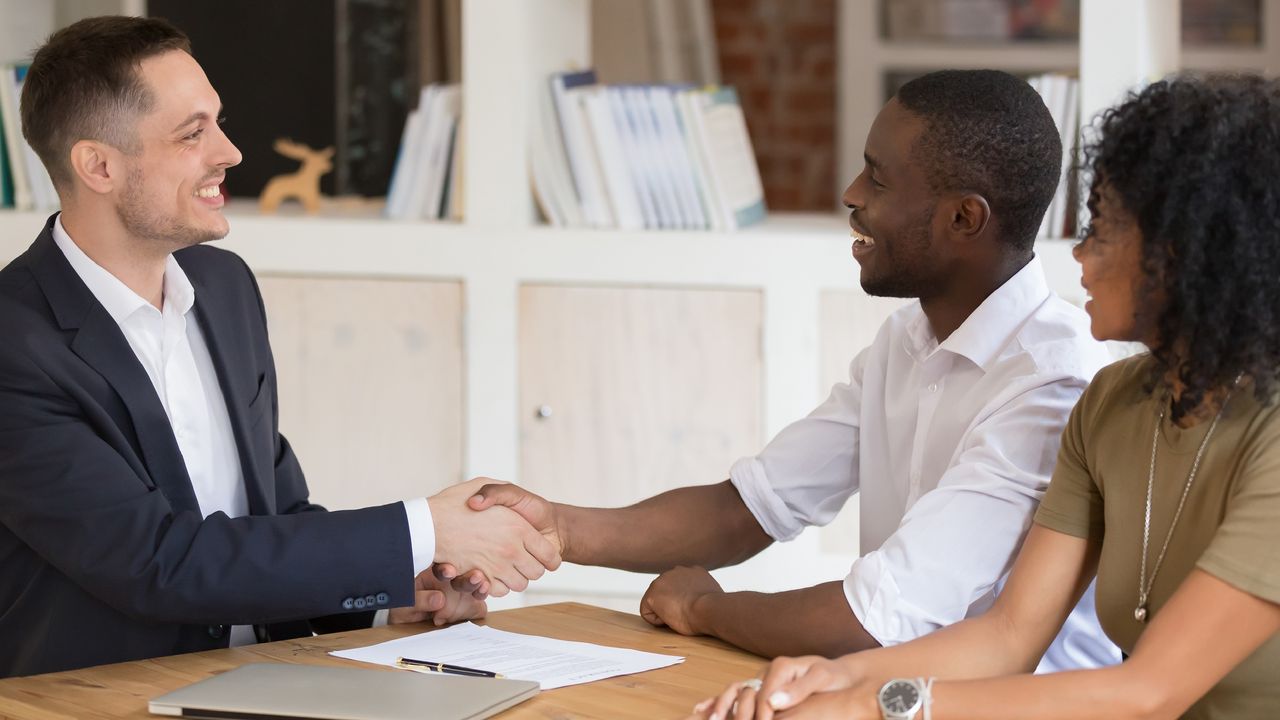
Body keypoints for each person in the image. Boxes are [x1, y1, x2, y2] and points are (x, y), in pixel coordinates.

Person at [450, 69, 1118, 670]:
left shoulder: (1052, 386)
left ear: (963, 218)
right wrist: (557, 528)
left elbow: (878, 619)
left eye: (877, 179)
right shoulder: (909, 338)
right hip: (895, 694)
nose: (852, 195)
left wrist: (707, 609)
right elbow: (748, 508)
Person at [692, 74, 1280, 720]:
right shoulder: (1111, 406)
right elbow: (1007, 637)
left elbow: (1146, 692)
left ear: (1188, 256)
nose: (1078, 255)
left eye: (1104, 230)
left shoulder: (1268, 440)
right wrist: (824, 680)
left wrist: (878, 708)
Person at [0, 16, 558, 678]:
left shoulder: (223, 284)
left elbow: (276, 515)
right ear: (98, 165)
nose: (230, 152)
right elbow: (157, 562)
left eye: (219, 120)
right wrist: (424, 529)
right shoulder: (15, 342)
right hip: (98, 699)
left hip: (265, 679)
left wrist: (392, 597)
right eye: (191, 134)